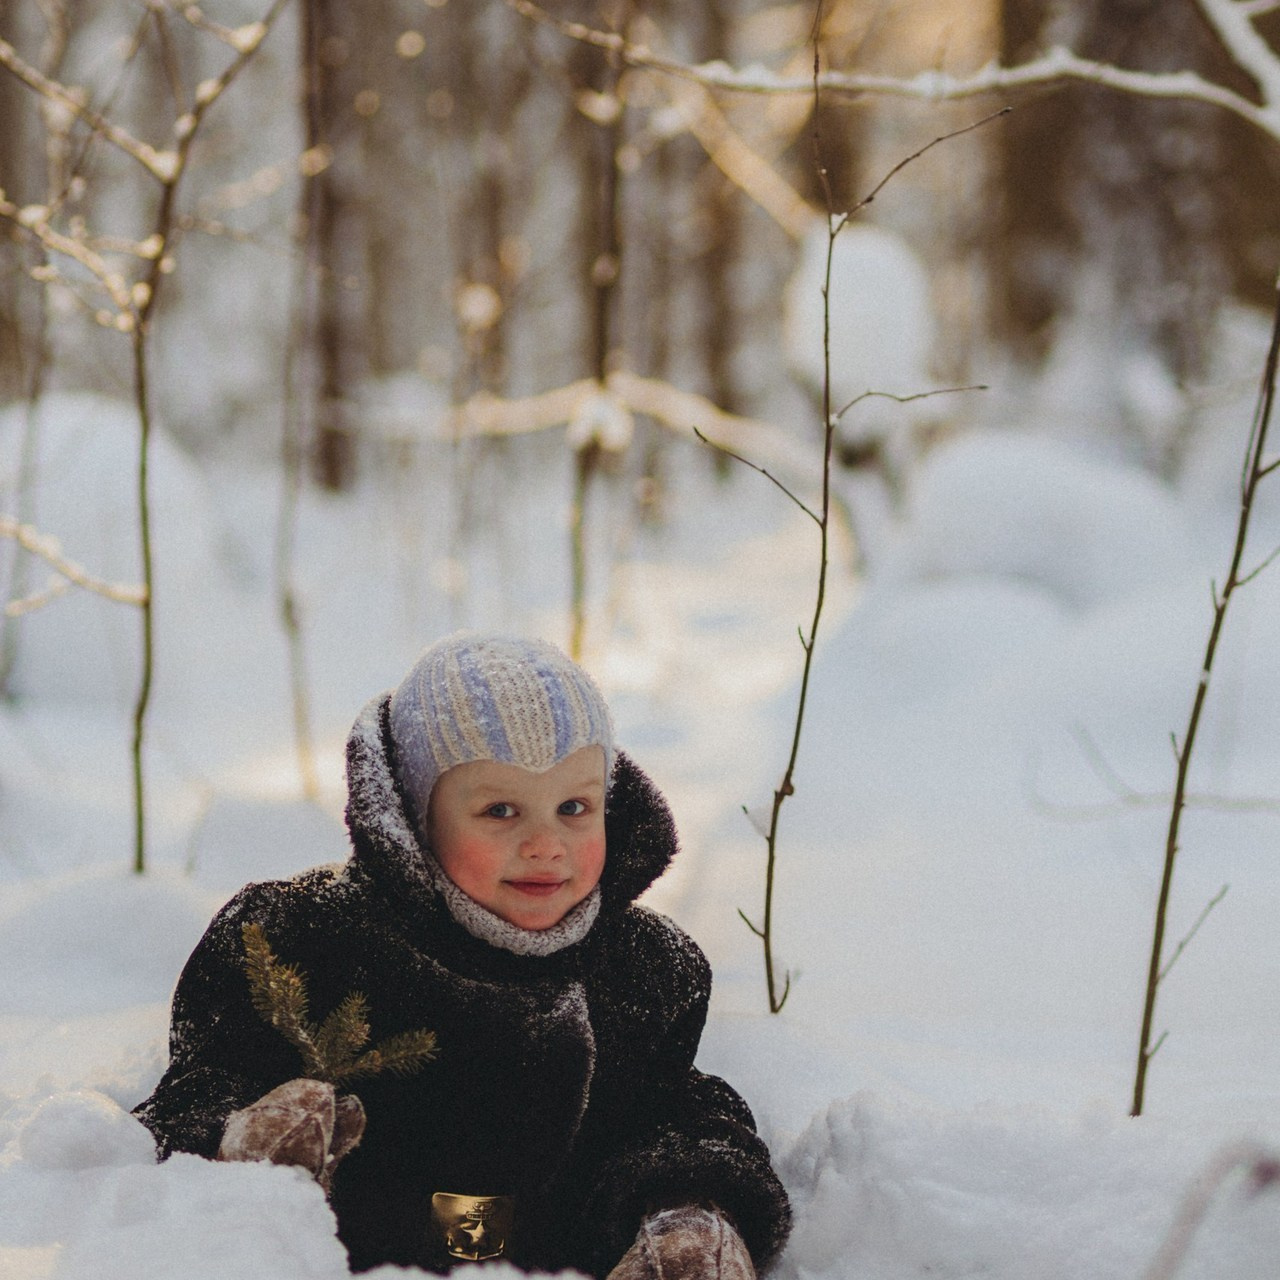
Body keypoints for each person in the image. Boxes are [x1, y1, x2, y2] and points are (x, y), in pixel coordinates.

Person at [134, 633, 791, 1278]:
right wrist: (239, 1138)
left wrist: (690, 1207)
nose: (546, 843)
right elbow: (193, 1091)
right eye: (500, 810)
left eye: (573, 807)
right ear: (417, 817)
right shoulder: (297, 940)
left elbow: (670, 1112)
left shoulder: (646, 968)